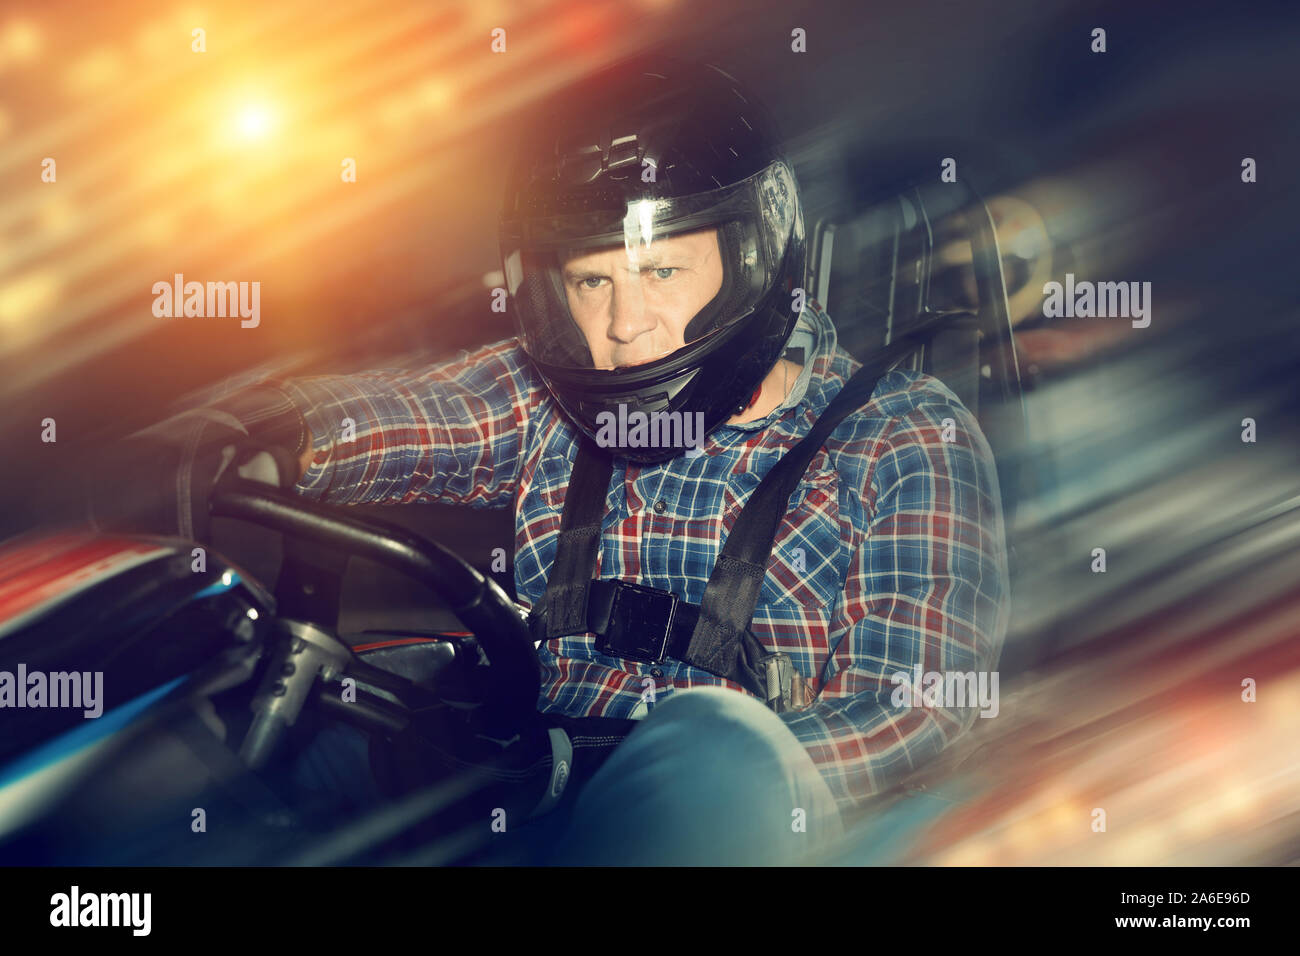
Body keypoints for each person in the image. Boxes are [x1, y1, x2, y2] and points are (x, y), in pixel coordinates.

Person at [93, 55, 1011, 866]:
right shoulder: (553, 400)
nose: (622, 324)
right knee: (234, 725)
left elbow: (918, 711)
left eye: (661, 271)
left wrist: (657, 765)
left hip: (743, 815)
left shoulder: (902, 434)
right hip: (527, 780)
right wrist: (252, 440)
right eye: (591, 281)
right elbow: (411, 411)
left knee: (715, 747)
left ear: (754, 253)